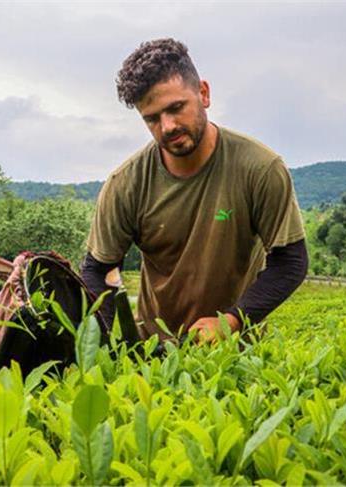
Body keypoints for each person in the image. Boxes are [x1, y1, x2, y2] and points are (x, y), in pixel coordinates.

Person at [81, 38, 308, 344]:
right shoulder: (126, 183)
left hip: (237, 356)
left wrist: (231, 320)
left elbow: (289, 262)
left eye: (176, 108)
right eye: (152, 118)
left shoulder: (259, 168)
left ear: (203, 93)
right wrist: (104, 345)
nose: (168, 126)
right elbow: (99, 270)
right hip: (154, 353)